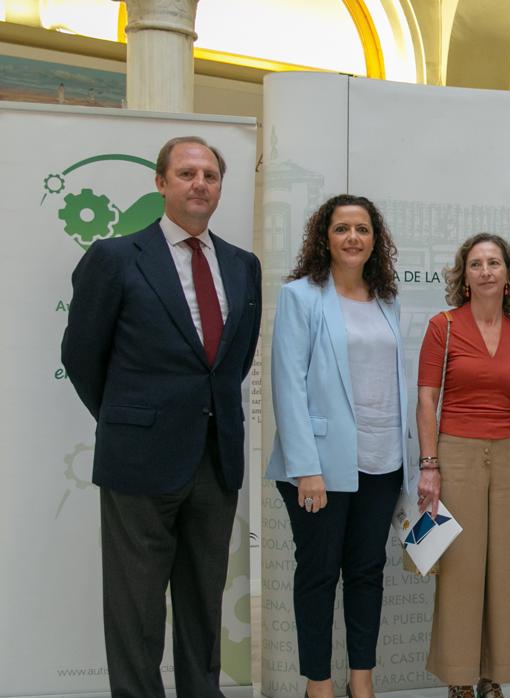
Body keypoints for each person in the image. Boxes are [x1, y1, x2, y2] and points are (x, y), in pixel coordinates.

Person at [61, 135, 262, 697]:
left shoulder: (243, 267)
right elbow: (81, 356)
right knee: (136, 607)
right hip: (139, 461)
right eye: (187, 173)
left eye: (211, 176)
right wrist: (130, 420)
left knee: (204, 600)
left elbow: (232, 363)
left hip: (214, 458)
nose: (200, 184)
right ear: (161, 183)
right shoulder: (115, 258)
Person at [266, 194, 409, 698]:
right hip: (320, 466)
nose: (353, 238)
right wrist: (306, 468)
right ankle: (319, 685)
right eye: (343, 228)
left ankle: (361, 681)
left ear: (376, 239)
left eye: (363, 229)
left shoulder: (388, 299)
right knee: (319, 574)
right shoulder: (300, 297)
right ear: (324, 236)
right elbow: (288, 385)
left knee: (368, 572)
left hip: (383, 461)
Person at [416, 233, 510, 698]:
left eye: (494, 263)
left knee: (508, 571)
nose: (486, 270)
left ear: (508, 275)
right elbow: (427, 399)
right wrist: (429, 465)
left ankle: (495, 674)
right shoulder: (443, 326)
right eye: (476, 264)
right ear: (464, 276)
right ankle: (459, 678)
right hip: (457, 456)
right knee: (461, 571)